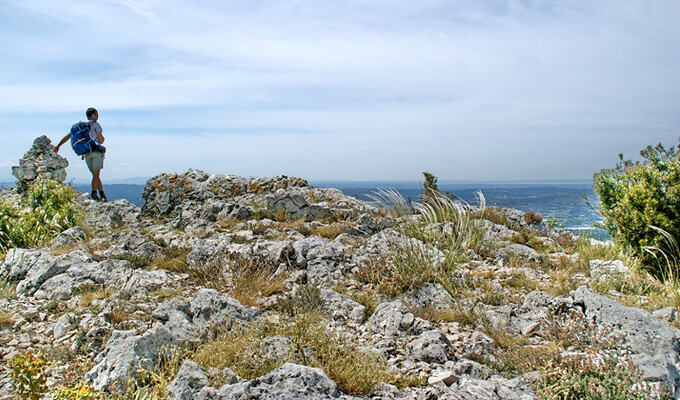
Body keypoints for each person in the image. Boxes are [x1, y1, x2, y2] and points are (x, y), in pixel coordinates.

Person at [54, 107, 107, 201]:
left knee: (95, 174)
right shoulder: (95, 125)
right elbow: (101, 140)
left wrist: (58, 145)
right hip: (95, 151)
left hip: (86, 153)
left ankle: (102, 193)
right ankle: (94, 193)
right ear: (93, 115)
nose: (98, 116)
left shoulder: (79, 125)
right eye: (97, 114)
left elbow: (68, 136)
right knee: (96, 174)